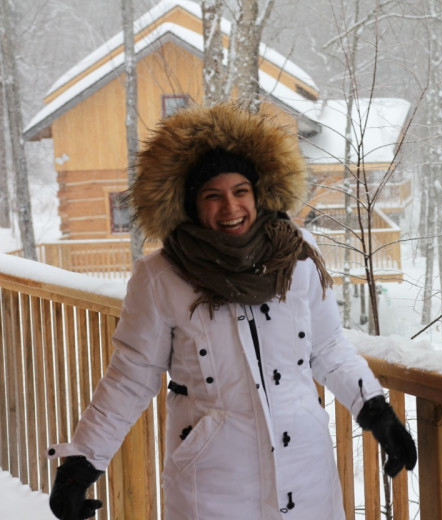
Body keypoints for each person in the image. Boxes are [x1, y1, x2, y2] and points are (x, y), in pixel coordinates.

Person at [47, 103, 417, 520]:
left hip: (306, 469)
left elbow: (327, 347)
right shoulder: (161, 277)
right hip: (212, 478)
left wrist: (376, 410)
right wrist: (80, 464)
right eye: (213, 195)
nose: (231, 208)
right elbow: (131, 376)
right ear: (190, 203)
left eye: (241, 191)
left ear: (258, 194)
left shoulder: (296, 255)